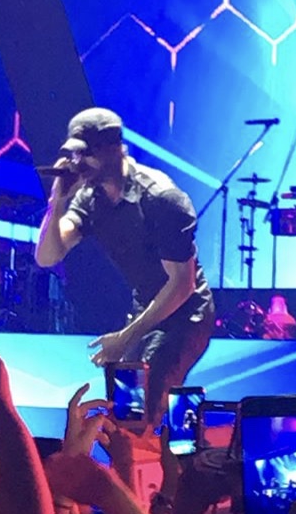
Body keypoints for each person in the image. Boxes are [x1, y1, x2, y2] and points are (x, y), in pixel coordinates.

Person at [36, 107, 215, 425]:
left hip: (186, 313)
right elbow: (48, 256)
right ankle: (176, 435)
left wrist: (126, 337)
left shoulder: (161, 198)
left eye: (86, 154)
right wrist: (57, 202)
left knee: (146, 404)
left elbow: (182, 284)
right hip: (147, 307)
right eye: (75, 155)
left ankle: (176, 447)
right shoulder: (91, 198)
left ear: (114, 148)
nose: (78, 163)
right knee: (127, 408)